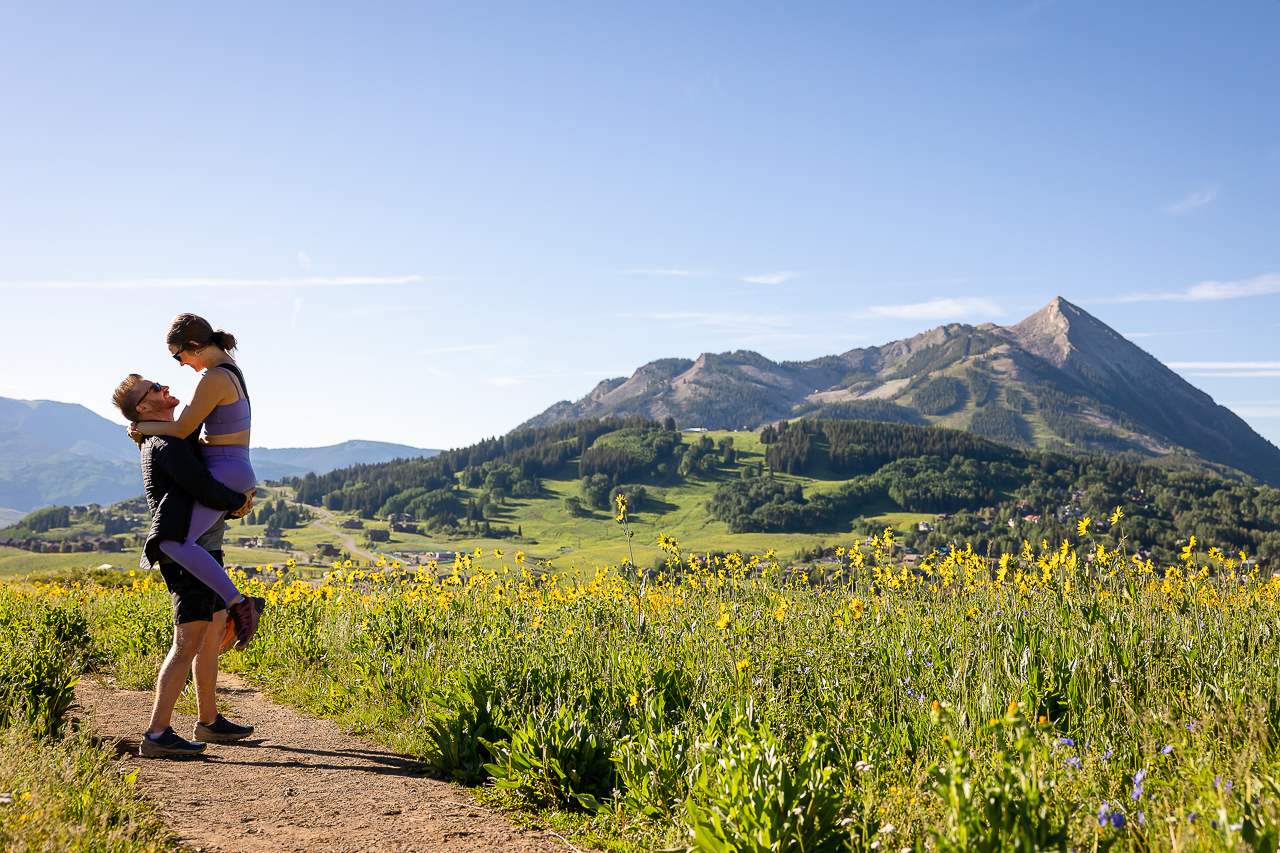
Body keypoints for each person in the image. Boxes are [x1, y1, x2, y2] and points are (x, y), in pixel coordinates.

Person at [112, 374, 262, 757]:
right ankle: (157, 733)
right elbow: (201, 485)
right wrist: (236, 500)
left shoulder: (171, 436)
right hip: (186, 558)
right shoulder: (165, 443)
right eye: (154, 389)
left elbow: (204, 497)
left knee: (211, 637)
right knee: (187, 643)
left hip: (203, 552)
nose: (164, 388)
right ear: (144, 407)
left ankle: (208, 721)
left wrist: (232, 504)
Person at [126, 313, 260, 648]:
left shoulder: (213, 377)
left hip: (226, 469)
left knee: (171, 542)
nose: (181, 364)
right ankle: (232, 606)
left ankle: (239, 603)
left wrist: (142, 429)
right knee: (183, 541)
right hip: (231, 466)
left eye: (179, 356)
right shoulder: (229, 371)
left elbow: (183, 429)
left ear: (195, 346)